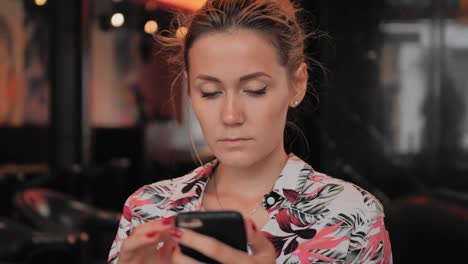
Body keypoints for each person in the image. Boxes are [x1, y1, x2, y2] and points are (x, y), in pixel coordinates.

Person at [108, 0, 393, 263]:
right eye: (209, 92)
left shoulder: (353, 216)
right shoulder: (148, 210)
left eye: (255, 90)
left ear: (297, 84)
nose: (231, 116)